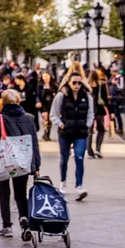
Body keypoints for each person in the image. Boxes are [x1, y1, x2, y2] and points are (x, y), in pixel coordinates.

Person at [0, 90, 41, 238]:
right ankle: (24, 222)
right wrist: (36, 165)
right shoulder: (29, 118)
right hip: (23, 160)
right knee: (21, 193)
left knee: (4, 193)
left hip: (4, 161)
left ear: (2, 102)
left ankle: (7, 226)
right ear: (18, 100)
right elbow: (34, 143)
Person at [50, 65, 93, 201]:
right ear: (69, 82)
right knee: (64, 158)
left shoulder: (87, 96)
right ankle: (63, 182)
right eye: (74, 82)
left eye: (79, 82)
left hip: (80, 132)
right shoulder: (61, 96)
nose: (77, 85)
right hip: (65, 132)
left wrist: (87, 124)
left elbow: (91, 113)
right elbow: (53, 114)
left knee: (79, 157)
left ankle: (79, 186)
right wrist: (61, 124)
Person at [87, 68, 111, 159]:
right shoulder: (101, 85)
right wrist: (111, 111)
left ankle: (89, 151)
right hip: (99, 110)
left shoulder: (87, 87)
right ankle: (97, 149)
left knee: (89, 131)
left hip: (89, 111)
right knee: (101, 130)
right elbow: (106, 99)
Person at [37, 71, 58, 141]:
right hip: (44, 104)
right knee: (45, 118)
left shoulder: (54, 85)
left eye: (47, 76)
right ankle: (45, 132)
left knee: (50, 119)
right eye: (44, 76)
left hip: (51, 103)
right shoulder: (40, 85)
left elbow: (57, 92)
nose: (45, 78)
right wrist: (38, 101)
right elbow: (38, 95)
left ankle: (48, 133)